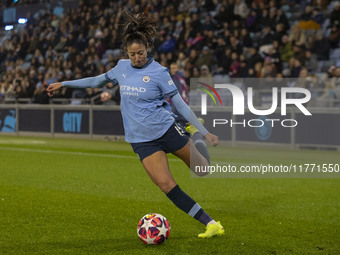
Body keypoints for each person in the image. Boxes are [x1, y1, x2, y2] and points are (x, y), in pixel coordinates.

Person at [47, 9, 224, 239]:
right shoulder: (121, 68)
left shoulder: (159, 72)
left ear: (147, 49)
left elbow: (179, 104)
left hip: (166, 129)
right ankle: (211, 224)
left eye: (140, 53)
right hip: (142, 140)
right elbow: (97, 80)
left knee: (202, 170)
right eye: (132, 54)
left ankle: (195, 136)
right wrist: (64, 83)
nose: (137, 58)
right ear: (127, 53)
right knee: (166, 185)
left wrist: (205, 132)